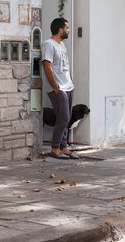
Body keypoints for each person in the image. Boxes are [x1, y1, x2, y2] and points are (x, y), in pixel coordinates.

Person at [42, 17, 79, 159]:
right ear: (60, 30)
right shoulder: (48, 44)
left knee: (67, 117)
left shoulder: (61, 44)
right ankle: (55, 148)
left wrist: (70, 81)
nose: (68, 30)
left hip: (68, 85)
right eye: (67, 28)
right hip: (58, 87)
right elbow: (47, 66)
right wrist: (55, 85)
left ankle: (63, 146)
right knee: (63, 117)